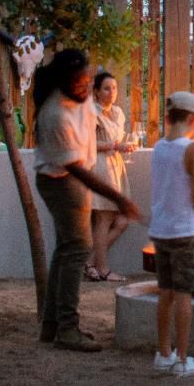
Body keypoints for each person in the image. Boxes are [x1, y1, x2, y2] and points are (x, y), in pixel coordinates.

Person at [32, 49, 142, 352]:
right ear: (66, 79)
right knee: (77, 248)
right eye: (81, 81)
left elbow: (98, 122)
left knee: (67, 250)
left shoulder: (78, 102)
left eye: (87, 80)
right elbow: (76, 169)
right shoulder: (55, 113)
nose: (85, 86)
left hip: (72, 178)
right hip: (60, 182)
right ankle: (67, 328)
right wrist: (118, 197)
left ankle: (52, 325)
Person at [149, 90, 194, 376]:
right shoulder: (192, 150)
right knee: (183, 295)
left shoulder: (158, 147)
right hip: (184, 232)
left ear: (168, 116)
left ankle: (163, 353)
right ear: (192, 119)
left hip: (160, 231)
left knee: (164, 293)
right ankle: (182, 359)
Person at [87, 71, 137, 282]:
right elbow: (87, 143)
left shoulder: (117, 113)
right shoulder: (91, 113)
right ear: (97, 91)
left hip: (116, 167)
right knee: (104, 218)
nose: (111, 92)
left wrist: (125, 145)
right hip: (100, 167)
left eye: (114, 88)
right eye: (106, 88)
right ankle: (104, 269)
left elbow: (121, 139)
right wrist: (116, 145)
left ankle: (89, 262)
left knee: (123, 218)